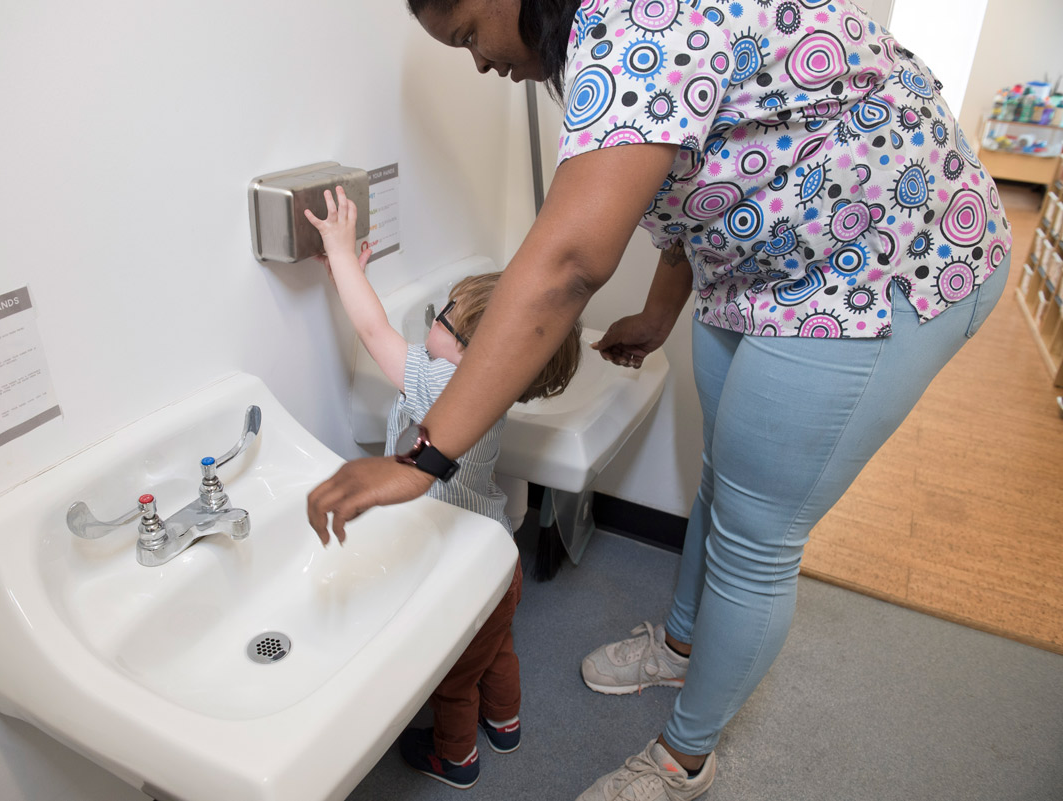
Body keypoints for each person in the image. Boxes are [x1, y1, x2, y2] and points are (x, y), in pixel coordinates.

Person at [307, 1, 1011, 798]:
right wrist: (660, 310)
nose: (478, 62)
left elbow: (568, 260)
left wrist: (423, 457)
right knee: (722, 478)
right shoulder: (598, 40)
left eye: (470, 33)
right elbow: (705, 157)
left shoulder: (637, 17)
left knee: (756, 537)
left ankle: (684, 762)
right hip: (761, 272)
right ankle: (681, 648)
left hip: (883, 261)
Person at [305, 187, 582, 789]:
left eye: (440, 318)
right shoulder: (494, 390)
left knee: (456, 680)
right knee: (498, 650)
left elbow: (374, 330)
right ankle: (505, 723)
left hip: (452, 564)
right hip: (494, 555)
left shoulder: (439, 383)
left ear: (467, 351)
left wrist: (341, 255)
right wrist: (354, 271)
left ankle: (454, 758)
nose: (430, 322)